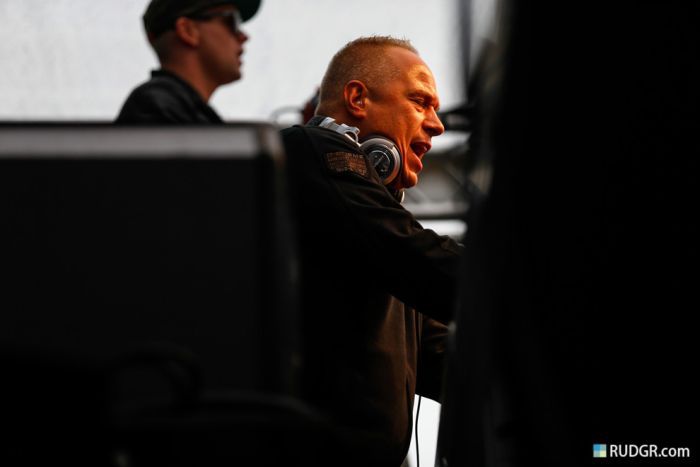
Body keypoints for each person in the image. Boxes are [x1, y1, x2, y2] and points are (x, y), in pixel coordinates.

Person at [281, 36, 463, 466]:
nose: (437, 125)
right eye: (420, 102)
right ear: (358, 99)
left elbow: (441, 353)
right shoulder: (313, 149)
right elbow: (422, 263)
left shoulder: (372, 233)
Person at [115, 0, 260, 123]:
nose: (244, 36)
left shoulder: (175, 109)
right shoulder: (157, 107)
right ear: (187, 31)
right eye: (233, 22)